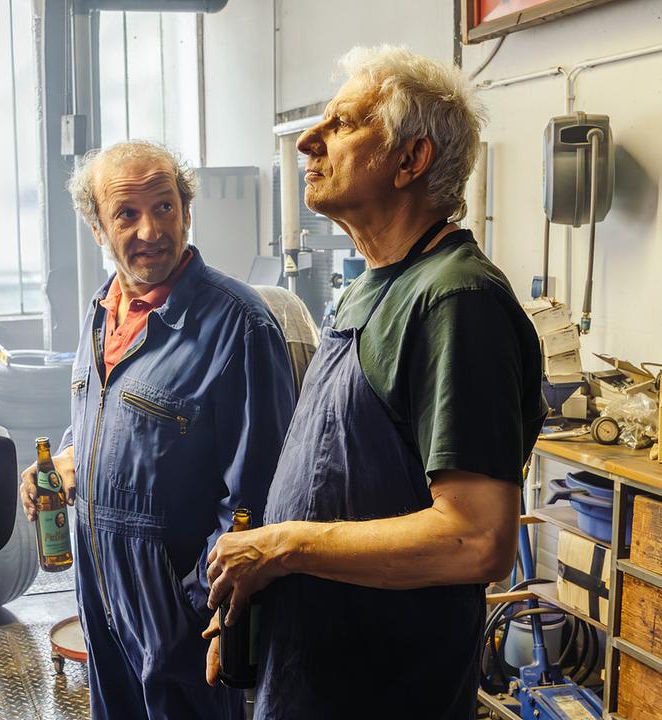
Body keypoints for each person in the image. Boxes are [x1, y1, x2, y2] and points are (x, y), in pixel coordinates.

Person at [203, 46, 546, 719]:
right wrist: (253, 595)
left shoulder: (455, 299)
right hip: (312, 671)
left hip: (385, 688)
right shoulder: (370, 288)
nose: (308, 140)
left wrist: (281, 547)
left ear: (410, 160)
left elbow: (476, 539)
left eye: (343, 123)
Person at [19, 141, 296, 719]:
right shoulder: (101, 313)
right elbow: (109, 419)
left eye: (165, 207)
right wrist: (69, 459)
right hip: (101, 597)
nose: (151, 230)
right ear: (98, 228)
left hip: (181, 615)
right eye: (126, 214)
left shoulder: (240, 326)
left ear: (186, 211)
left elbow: (260, 497)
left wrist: (196, 603)